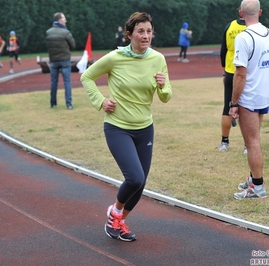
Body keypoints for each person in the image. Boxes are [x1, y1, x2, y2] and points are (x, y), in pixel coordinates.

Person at [80, 12, 172, 241]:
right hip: (118, 127)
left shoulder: (158, 59)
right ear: (129, 34)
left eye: (149, 31)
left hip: (145, 128)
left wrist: (163, 86)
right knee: (135, 178)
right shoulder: (115, 58)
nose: (146, 35)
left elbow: (166, 96)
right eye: (140, 31)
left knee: (140, 185)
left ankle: (118, 219)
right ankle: (115, 212)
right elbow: (87, 77)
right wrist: (101, 101)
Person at [229, 0, 269, 200]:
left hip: (249, 97)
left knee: (252, 142)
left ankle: (257, 186)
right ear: (260, 12)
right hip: (263, 94)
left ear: (240, 13)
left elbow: (240, 74)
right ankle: (253, 178)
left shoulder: (244, 37)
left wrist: (233, 102)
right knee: (254, 140)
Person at [218, 8, 246, 152]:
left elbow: (223, 51)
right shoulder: (253, 28)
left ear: (239, 12)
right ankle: (247, 145)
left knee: (227, 107)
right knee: (247, 109)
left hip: (230, 71)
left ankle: (224, 142)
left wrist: (224, 72)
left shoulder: (229, 27)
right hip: (247, 73)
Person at [46, 12, 76, 109]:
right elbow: (73, 45)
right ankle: (69, 104)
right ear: (60, 21)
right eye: (64, 19)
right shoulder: (66, 32)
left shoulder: (48, 32)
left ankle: (53, 104)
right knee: (67, 82)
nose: (66, 21)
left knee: (54, 82)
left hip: (53, 60)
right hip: (65, 60)